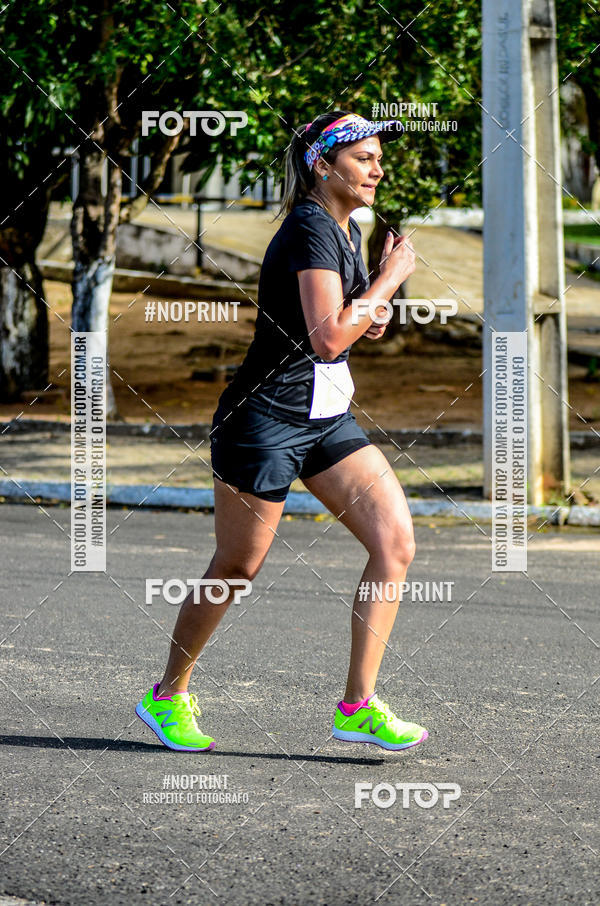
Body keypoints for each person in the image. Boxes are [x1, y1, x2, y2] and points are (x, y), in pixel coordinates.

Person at [135, 110, 428, 753]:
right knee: (238, 565)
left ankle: (357, 705)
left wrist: (371, 311)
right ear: (323, 166)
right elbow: (327, 339)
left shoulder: (348, 228)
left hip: (323, 418)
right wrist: (390, 279)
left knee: (394, 542)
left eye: (380, 156)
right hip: (264, 420)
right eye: (363, 158)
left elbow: (339, 325)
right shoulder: (308, 230)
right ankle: (167, 695)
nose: (378, 168)